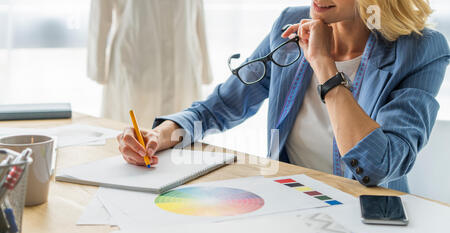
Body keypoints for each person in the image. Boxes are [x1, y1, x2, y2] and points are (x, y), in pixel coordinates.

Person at [117, 0, 450, 193]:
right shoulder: (290, 23)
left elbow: (378, 166)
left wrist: (323, 65)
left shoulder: (422, 50)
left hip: (368, 220)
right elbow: (221, 107)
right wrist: (162, 134)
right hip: (292, 203)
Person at [87, 0, 213, 127]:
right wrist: (98, 68)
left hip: (183, 62)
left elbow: (198, 10)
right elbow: (100, 12)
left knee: (182, 133)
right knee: (132, 135)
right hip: (135, 60)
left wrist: (205, 70)